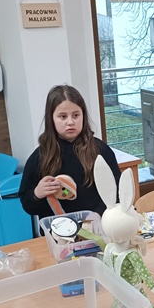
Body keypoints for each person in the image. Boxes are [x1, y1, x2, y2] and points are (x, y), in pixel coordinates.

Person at [19, 85, 121, 219]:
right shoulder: (40, 157)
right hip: (56, 229)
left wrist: (98, 214)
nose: (70, 122)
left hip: (97, 225)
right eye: (62, 116)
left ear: (83, 115)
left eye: (76, 115)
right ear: (51, 119)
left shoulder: (100, 151)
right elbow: (27, 205)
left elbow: (117, 190)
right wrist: (37, 194)